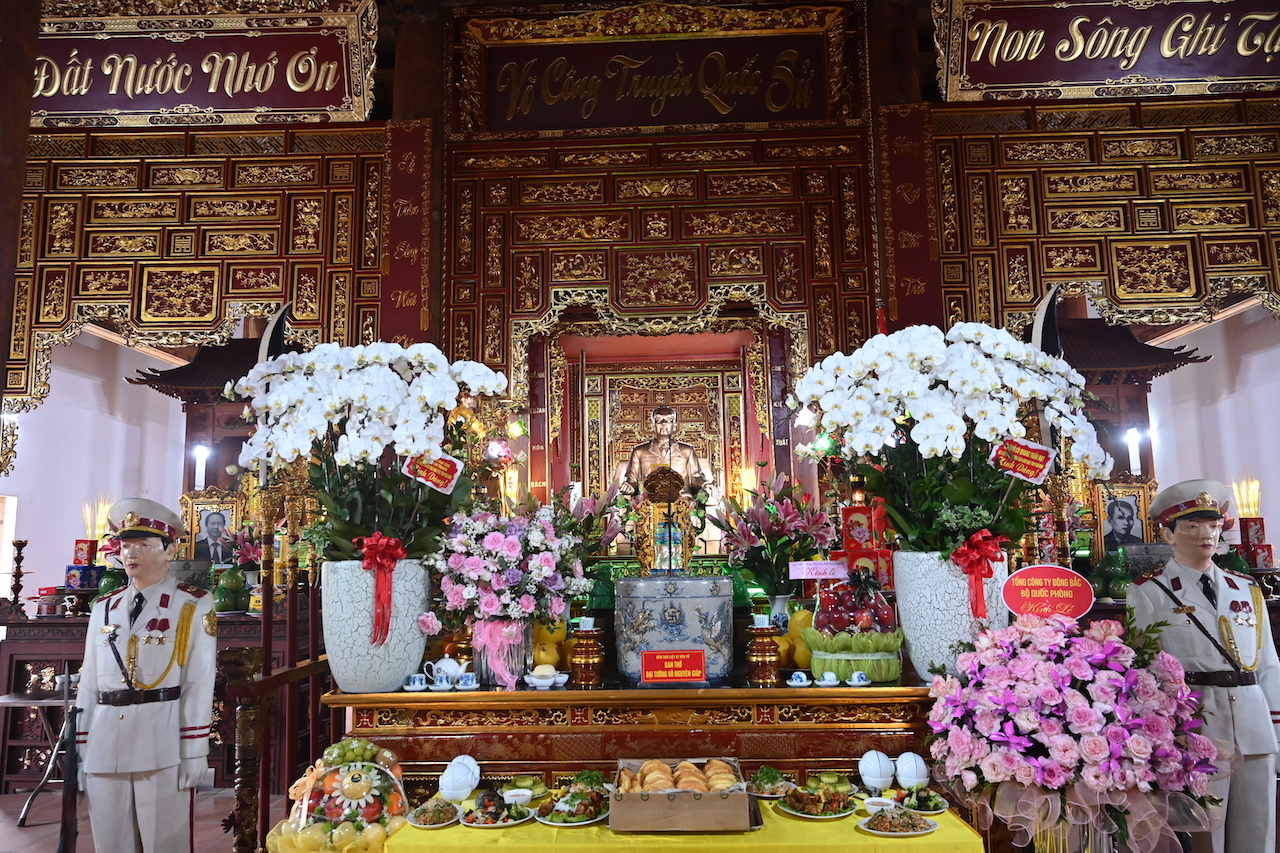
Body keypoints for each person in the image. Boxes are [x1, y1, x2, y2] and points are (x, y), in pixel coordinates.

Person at [1128, 479, 1280, 853]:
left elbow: (1268, 665)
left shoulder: (1246, 588)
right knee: (1206, 830)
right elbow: (1144, 670)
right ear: (1168, 533)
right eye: (1192, 526)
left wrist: (1278, 728)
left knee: (1258, 827)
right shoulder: (1149, 591)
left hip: (1254, 723)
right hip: (1199, 726)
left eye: (1213, 525)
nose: (1205, 534)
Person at [75, 498, 218, 853]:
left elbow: (199, 681)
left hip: (161, 739)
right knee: (110, 842)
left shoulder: (192, 603)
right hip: (105, 740)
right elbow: (90, 681)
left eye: (143, 544)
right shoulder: (104, 607)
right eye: (125, 545)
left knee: (164, 841)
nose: (131, 553)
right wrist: (80, 748)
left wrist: (194, 750)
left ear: (169, 550)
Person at [616, 406, 713, 499]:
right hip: (648, 502)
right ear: (652, 425)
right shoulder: (639, 451)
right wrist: (629, 487)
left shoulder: (687, 451)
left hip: (682, 500)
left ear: (675, 425)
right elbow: (632, 480)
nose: (663, 423)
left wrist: (704, 484)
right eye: (658, 420)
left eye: (669, 420)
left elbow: (695, 477)